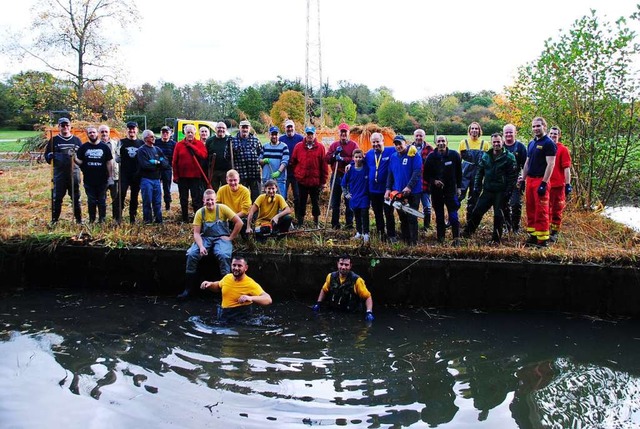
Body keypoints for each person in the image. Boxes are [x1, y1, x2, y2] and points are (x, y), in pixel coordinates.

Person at [178, 188, 243, 299]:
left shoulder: (223, 209)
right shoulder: (200, 212)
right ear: (204, 200)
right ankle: (188, 289)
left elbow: (239, 222)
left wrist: (230, 237)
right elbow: (197, 233)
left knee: (223, 255)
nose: (210, 202)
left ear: (215, 200)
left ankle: (226, 290)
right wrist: (201, 246)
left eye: (212, 200)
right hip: (206, 238)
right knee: (192, 254)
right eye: (207, 200)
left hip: (221, 238)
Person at [462, 133, 517, 244]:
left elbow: (513, 177)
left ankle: (496, 239)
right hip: (487, 190)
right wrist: (477, 187)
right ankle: (467, 233)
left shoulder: (509, 157)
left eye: (498, 142)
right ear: (491, 142)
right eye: (494, 142)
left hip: (500, 192)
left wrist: (508, 192)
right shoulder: (486, 156)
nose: (496, 144)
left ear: (502, 142)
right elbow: (479, 172)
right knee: (477, 211)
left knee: (498, 215)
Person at [200, 255, 272, 323]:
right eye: (234, 265)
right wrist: (210, 284)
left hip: (239, 319)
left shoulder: (250, 284)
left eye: (239, 266)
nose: (236, 268)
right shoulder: (227, 277)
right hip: (224, 315)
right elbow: (218, 286)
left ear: (246, 268)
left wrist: (250, 298)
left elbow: (268, 299)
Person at [522, 117, 557, 247]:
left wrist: (544, 183)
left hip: (540, 180)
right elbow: (527, 162)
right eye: (533, 126)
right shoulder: (531, 143)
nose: (536, 129)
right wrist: (523, 178)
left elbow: (551, 164)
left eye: (538, 126)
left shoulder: (548, 143)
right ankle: (533, 236)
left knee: (541, 211)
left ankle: (542, 241)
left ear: (544, 127)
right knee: (530, 209)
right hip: (530, 180)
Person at [311, 254, 374, 321]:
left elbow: (368, 297)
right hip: (334, 313)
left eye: (346, 265)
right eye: (341, 264)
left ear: (350, 266)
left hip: (352, 316)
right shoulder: (330, 276)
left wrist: (369, 312)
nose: (343, 267)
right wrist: (318, 303)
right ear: (337, 264)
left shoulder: (357, 280)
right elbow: (324, 290)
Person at [424, 136, 462, 245]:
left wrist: (459, 187)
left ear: (447, 142)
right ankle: (441, 239)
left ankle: (456, 239)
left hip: (451, 191)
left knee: (453, 216)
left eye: (443, 141)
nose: (441, 143)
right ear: (436, 143)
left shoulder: (454, 155)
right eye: (439, 141)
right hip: (436, 192)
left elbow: (459, 173)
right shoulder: (431, 157)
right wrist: (434, 181)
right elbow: (426, 175)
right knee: (439, 216)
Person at [385, 135, 422, 246]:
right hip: (398, 192)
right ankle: (406, 239)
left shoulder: (413, 155)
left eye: (400, 143)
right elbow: (390, 175)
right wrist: (388, 189)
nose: (398, 146)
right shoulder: (393, 157)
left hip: (413, 192)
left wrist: (409, 186)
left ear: (405, 143)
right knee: (402, 217)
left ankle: (413, 242)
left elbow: (417, 172)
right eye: (396, 144)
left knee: (412, 216)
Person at [45, 117, 83, 224]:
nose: (65, 127)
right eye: (62, 125)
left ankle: (79, 220)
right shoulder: (53, 141)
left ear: (70, 127)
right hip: (59, 174)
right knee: (57, 198)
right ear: (59, 127)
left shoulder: (77, 140)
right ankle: (54, 220)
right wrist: (50, 156)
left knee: (76, 198)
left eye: (67, 125)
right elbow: (47, 158)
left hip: (74, 174)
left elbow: (82, 158)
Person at [289, 126, 328, 228]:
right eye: (308, 134)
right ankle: (300, 222)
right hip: (302, 181)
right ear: (305, 135)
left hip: (315, 181)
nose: (310, 136)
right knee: (302, 202)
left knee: (315, 203)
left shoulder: (320, 147)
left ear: (315, 135)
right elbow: (293, 162)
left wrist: (323, 181)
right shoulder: (298, 147)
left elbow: (324, 165)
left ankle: (316, 223)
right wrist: (298, 174)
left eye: (311, 134)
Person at [74, 126, 113, 223]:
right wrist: (73, 157)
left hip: (102, 179)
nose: (92, 134)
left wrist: (111, 177)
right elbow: (80, 162)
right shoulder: (83, 147)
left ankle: (102, 219)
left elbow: (109, 162)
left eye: (94, 132)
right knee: (91, 201)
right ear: (87, 135)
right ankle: (92, 220)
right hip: (89, 179)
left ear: (97, 134)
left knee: (102, 200)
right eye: (90, 133)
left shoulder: (104, 147)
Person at [325, 123, 359, 229]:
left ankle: (349, 224)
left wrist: (343, 159)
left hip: (348, 177)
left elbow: (356, 158)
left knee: (349, 201)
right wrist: (335, 154)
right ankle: (335, 224)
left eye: (345, 132)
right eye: (342, 132)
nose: (343, 134)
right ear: (339, 133)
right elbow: (327, 159)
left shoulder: (353, 145)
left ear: (348, 133)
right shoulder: (334, 145)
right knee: (335, 202)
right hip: (336, 176)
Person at [365, 132, 397, 242]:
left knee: (388, 213)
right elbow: (359, 159)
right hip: (373, 190)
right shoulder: (369, 154)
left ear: (383, 140)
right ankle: (381, 234)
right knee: (377, 213)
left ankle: (392, 235)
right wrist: (350, 163)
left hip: (387, 190)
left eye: (377, 141)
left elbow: (403, 149)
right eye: (373, 142)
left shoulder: (391, 151)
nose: (375, 144)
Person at [173, 124, 208, 222]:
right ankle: (185, 218)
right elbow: (174, 161)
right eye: (188, 132)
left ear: (195, 133)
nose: (190, 134)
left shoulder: (199, 144)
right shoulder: (179, 145)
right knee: (183, 199)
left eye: (191, 132)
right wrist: (175, 175)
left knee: (196, 199)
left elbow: (204, 155)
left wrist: (192, 146)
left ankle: (197, 219)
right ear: (184, 133)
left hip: (196, 177)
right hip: (182, 177)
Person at [226, 119, 263, 202]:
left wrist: (259, 160)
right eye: (243, 127)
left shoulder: (255, 140)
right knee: (242, 197)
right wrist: (228, 146)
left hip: (254, 174)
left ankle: (256, 214)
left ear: (249, 128)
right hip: (240, 174)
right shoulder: (233, 141)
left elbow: (261, 153)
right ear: (239, 128)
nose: (245, 130)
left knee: (256, 197)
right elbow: (227, 156)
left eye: (246, 127)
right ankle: (243, 214)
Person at [137, 129, 169, 224]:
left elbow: (165, 163)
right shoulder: (141, 150)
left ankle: (158, 221)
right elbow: (144, 165)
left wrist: (156, 162)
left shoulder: (157, 149)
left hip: (156, 180)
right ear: (146, 138)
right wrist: (158, 163)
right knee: (147, 201)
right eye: (151, 136)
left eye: (154, 136)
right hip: (146, 180)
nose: (154, 138)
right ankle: (147, 221)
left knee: (157, 202)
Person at [458, 122, 487, 220]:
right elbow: (459, 160)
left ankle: (470, 221)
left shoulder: (485, 144)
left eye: (476, 129)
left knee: (474, 198)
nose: (474, 130)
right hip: (465, 173)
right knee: (459, 195)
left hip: (478, 174)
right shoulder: (463, 142)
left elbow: (487, 162)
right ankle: (452, 218)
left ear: (479, 131)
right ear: (469, 130)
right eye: (472, 128)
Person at [548, 126, 572, 242]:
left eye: (555, 134)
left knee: (557, 210)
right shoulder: (546, 147)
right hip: (546, 184)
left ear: (559, 135)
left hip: (558, 185)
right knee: (545, 209)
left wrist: (568, 184)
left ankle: (555, 232)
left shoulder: (563, 150)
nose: (553, 136)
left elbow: (567, 168)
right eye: (551, 133)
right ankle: (545, 230)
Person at [502, 124, 528, 233]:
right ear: (503, 133)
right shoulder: (500, 146)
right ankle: (505, 226)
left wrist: (522, 177)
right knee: (503, 204)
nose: (508, 134)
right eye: (506, 132)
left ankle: (515, 227)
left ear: (515, 133)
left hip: (516, 180)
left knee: (516, 204)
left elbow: (526, 164)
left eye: (510, 132)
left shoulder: (520, 147)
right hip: (502, 181)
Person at [341, 149, 370, 242]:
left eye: (360, 157)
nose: (358, 159)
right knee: (357, 215)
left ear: (363, 158)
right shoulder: (349, 170)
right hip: (354, 197)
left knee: (364, 214)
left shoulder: (366, 168)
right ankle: (359, 232)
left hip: (364, 196)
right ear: (353, 158)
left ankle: (366, 233)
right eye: (356, 157)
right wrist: (346, 194)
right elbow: (343, 184)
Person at [117, 121, 143, 223]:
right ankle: (118, 216)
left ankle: (132, 217)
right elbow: (116, 153)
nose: (131, 130)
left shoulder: (141, 143)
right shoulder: (121, 142)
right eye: (130, 128)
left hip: (136, 174)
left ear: (137, 130)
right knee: (121, 195)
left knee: (134, 196)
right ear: (127, 130)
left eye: (133, 128)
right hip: (124, 173)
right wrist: (117, 158)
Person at [216, 169, 252, 236]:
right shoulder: (221, 190)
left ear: (239, 179)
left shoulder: (245, 191)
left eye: (235, 180)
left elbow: (245, 211)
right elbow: (217, 206)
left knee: (244, 224)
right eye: (230, 180)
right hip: (225, 218)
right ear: (227, 180)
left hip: (240, 217)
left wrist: (232, 217)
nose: (233, 183)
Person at [279, 119, 304, 211]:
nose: (289, 129)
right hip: (284, 172)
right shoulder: (281, 139)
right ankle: (283, 215)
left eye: (291, 127)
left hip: (296, 173)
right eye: (287, 127)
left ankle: (298, 216)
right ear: (285, 128)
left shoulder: (300, 139)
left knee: (297, 196)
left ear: (294, 127)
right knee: (282, 196)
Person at [98, 124, 120, 222]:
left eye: (106, 131)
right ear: (99, 133)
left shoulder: (115, 143)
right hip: (101, 176)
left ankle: (116, 218)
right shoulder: (97, 145)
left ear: (109, 132)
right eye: (102, 132)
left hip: (115, 175)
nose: (104, 133)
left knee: (115, 198)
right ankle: (102, 218)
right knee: (101, 198)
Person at [413, 129, 434, 230]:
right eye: (417, 136)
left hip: (425, 181)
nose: (418, 138)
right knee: (413, 206)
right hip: (413, 182)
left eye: (420, 136)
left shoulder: (430, 149)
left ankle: (426, 226)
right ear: (414, 137)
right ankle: (413, 226)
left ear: (424, 137)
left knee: (426, 204)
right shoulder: (409, 148)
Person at [260, 126, 289, 197]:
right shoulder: (265, 147)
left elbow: (285, 161)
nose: (274, 136)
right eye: (272, 134)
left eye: (276, 134)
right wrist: (263, 161)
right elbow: (259, 160)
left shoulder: (284, 147)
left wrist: (279, 172)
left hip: (279, 179)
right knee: (266, 200)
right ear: (269, 135)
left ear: (278, 135)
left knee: (280, 200)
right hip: (266, 179)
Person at [205, 121, 232, 191]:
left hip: (226, 170)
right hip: (213, 171)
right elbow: (206, 155)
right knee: (213, 190)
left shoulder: (230, 140)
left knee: (226, 190)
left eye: (223, 128)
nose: (221, 130)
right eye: (219, 128)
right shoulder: (209, 141)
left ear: (226, 130)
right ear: (215, 129)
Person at [155, 125, 176, 211]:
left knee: (167, 188)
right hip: (156, 168)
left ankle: (167, 205)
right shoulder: (156, 142)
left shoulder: (174, 144)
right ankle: (157, 205)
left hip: (167, 168)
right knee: (156, 187)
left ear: (170, 133)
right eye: (163, 132)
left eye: (166, 132)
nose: (165, 134)